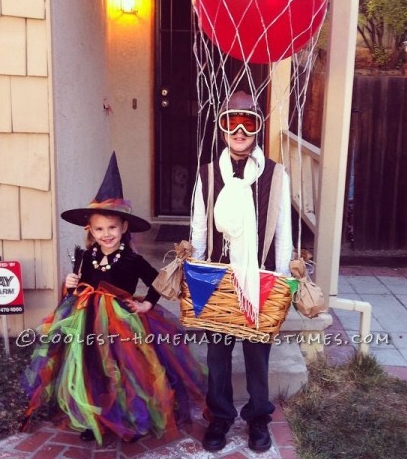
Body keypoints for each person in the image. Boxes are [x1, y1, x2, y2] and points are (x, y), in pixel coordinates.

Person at [22, 152, 206, 445]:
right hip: (87, 323)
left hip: (121, 324)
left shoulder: (132, 259)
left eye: (112, 228)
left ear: (124, 228)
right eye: (99, 229)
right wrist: (71, 284)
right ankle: (92, 418)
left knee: (123, 373)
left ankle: (128, 417)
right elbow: (80, 286)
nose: (106, 234)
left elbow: (157, 281)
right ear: (90, 231)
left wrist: (147, 304)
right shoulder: (87, 255)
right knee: (91, 369)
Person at [191, 91, 293, 453]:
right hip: (218, 277)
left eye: (247, 123)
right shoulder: (207, 174)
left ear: (257, 130)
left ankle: (258, 418)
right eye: (230, 122)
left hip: (261, 278)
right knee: (217, 356)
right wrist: (196, 277)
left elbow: (283, 233)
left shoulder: (276, 175)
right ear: (221, 129)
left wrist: (283, 283)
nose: (239, 131)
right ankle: (220, 417)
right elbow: (199, 230)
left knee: (256, 354)